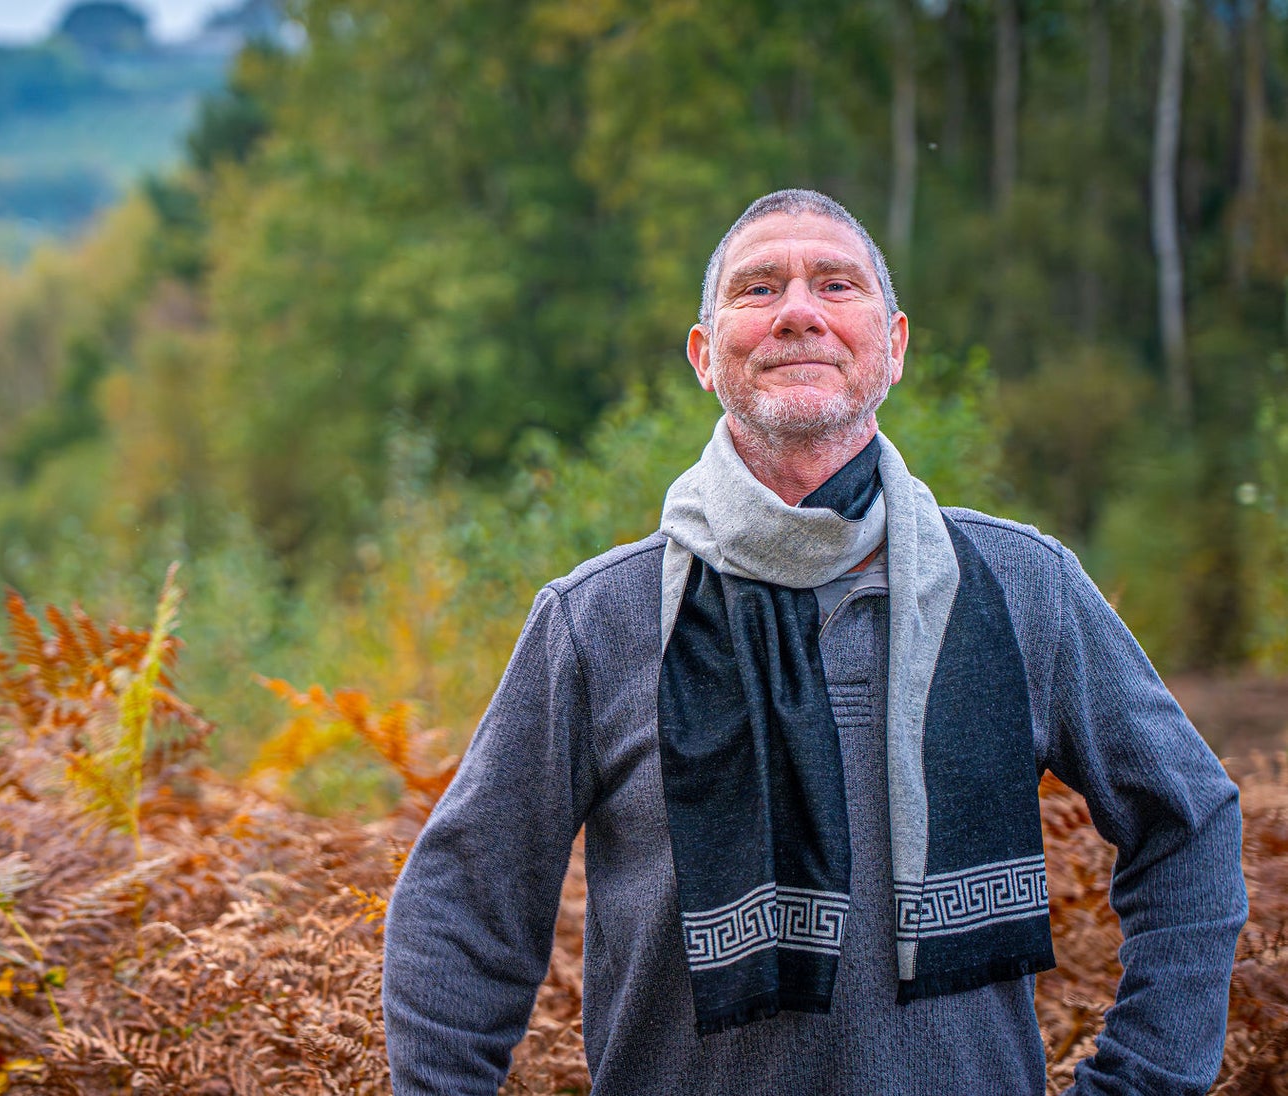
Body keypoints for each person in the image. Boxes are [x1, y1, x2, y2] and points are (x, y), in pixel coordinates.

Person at [382, 189, 1247, 1095]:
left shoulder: (1024, 587)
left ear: (895, 346)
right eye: (759, 289)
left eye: (836, 284)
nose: (799, 312)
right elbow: (461, 905)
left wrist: (1143, 1080)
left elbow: (1189, 821)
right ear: (704, 355)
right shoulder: (597, 620)